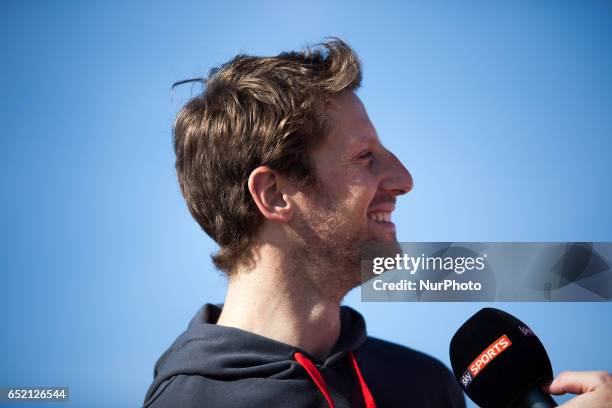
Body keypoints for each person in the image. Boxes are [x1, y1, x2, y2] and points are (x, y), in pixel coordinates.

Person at [143, 39, 612, 408]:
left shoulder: (425, 385)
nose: (403, 180)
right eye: (365, 156)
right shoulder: (192, 402)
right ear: (274, 194)